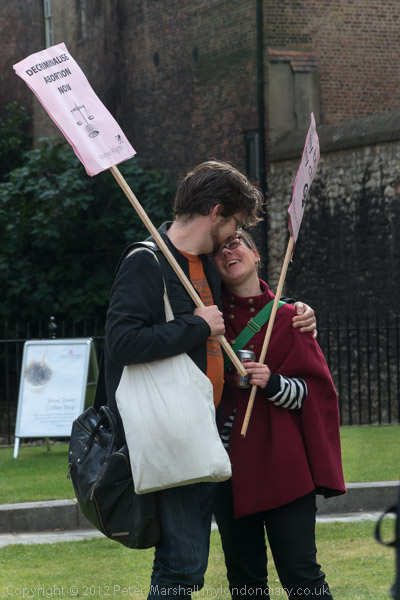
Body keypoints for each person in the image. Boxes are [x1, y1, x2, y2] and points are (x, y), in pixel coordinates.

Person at [104, 160, 317, 600]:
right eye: (235, 222)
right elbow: (121, 342)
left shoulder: (203, 263)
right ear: (217, 213)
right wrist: (196, 326)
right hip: (171, 431)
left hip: (202, 433)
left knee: (185, 565)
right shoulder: (147, 260)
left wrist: (296, 308)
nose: (234, 235)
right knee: (180, 567)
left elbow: (242, 306)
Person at [212, 230, 346, 600]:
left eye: (235, 243)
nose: (227, 252)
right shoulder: (208, 320)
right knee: (245, 582)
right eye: (218, 250)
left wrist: (272, 383)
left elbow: (313, 394)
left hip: (284, 468)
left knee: (302, 577)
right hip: (228, 471)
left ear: (256, 255)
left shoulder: (290, 317)